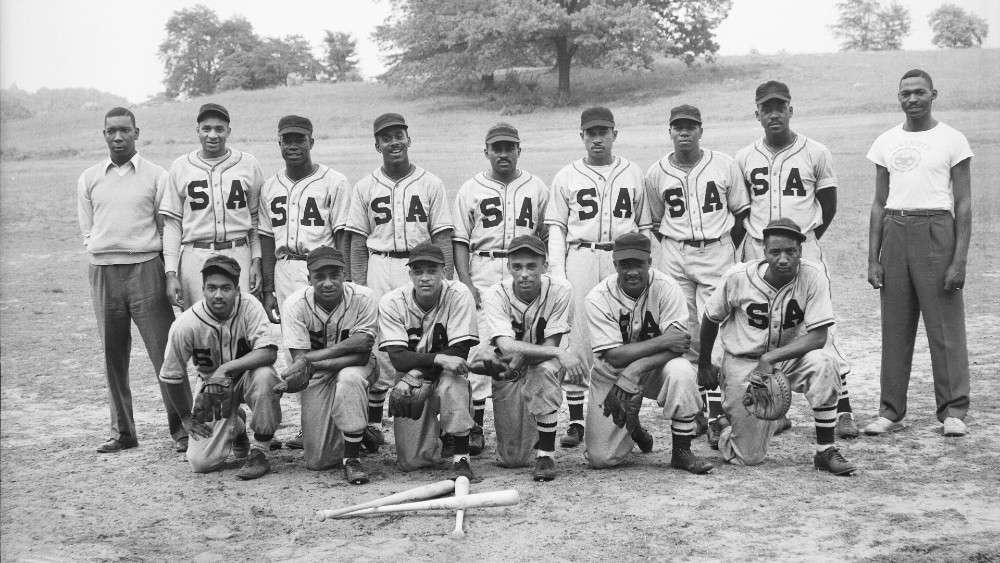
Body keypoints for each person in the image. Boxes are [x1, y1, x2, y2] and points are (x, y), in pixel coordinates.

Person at [734, 82, 857, 438]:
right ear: (757, 113)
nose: (774, 113)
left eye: (780, 106)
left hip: (802, 247)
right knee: (759, 327)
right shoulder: (744, 157)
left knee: (820, 327)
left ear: (791, 109)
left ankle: (843, 407)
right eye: (766, 107)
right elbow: (742, 210)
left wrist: (804, 242)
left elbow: (829, 204)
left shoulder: (815, 151)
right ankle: (773, 406)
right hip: (758, 248)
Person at [863, 69, 973, 438]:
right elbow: (879, 203)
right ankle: (891, 410)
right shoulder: (886, 141)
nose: (912, 99)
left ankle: (953, 409)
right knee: (895, 326)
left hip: (936, 228)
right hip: (896, 228)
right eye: (905, 93)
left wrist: (959, 260)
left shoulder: (952, 140)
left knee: (944, 327)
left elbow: (964, 203)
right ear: (899, 97)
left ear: (933, 94)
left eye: (919, 92)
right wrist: (872, 257)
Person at [699, 218, 856, 475]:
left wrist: (772, 358)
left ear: (800, 252)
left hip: (791, 357)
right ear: (765, 252)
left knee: (825, 364)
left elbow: (818, 337)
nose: (783, 259)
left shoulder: (813, 275)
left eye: (790, 252)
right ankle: (737, 428)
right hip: (744, 361)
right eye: (775, 252)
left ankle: (825, 450)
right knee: (748, 458)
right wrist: (704, 363)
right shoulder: (738, 277)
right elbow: (710, 318)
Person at [76, 107, 192, 453]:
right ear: (104, 134)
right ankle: (123, 431)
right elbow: (87, 229)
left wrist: (161, 266)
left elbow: (166, 225)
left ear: (136, 133)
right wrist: (102, 252)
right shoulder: (89, 177)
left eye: (124, 130)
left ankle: (184, 428)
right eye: (111, 131)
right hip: (103, 272)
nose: (118, 137)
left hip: (145, 267)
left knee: (165, 351)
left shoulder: (157, 175)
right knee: (113, 354)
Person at [343, 113, 455, 449]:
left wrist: (445, 280)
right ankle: (375, 424)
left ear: (409, 139)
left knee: (427, 340)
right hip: (381, 264)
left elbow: (443, 236)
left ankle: (439, 421)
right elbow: (358, 242)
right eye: (386, 137)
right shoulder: (364, 186)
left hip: (421, 265)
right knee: (382, 344)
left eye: (399, 135)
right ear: (376, 144)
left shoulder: (430, 183)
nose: (393, 142)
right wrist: (359, 287)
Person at [545, 107, 652, 449]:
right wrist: (559, 272)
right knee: (578, 336)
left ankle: (626, 412)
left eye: (603, 131)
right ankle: (576, 420)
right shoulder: (567, 175)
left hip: (623, 259)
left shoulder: (633, 172)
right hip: (581, 254)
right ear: (582, 136)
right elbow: (557, 228)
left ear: (614, 134)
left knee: (624, 333)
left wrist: (651, 267)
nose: (597, 138)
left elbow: (645, 226)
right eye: (591, 132)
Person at [644, 104, 750, 448]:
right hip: (676, 251)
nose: (684, 132)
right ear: (669, 131)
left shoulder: (724, 164)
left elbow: (741, 212)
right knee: (682, 330)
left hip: (718, 248)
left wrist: (721, 246)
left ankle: (719, 411)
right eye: (678, 127)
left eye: (690, 126)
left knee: (715, 328)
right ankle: (697, 409)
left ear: (701, 130)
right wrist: (680, 246)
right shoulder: (656, 172)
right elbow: (655, 221)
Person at [453, 122, 549, 456]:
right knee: (481, 346)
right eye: (497, 148)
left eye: (509, 147)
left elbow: (545, 234)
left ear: (519, 149)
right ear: (487, 152)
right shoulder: (471, 188)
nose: (503, 153)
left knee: (522, 342)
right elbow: (460, 240)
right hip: (484, 265)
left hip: (521, 268)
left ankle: (526, 421)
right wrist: (465, 281)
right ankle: (476, 424)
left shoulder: (535, 186)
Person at [257, 115, 352, 451]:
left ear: (312, 141)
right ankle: (307, 422)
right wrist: (267, 286)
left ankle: (353, 420)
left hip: (322, 270)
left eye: (300, 139)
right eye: (287, 140)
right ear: (279, 143)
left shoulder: (334, 181)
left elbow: (342, 234)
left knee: (331, 342)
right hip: (285, 268)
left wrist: (346, 276)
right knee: (296, 348)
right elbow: (267, 240)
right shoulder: (269, 186)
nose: (293, 145)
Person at [584, 233, 712, 474]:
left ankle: (682, 452)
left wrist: (636, 368)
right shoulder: (598, 297)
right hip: (613, 373)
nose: (632, 271)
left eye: (638, 264)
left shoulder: (667, 287)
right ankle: (634, 429)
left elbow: (680, 345)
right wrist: (663, 340)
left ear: (649, 262)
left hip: (656, 369)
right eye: (625, 265)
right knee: (601, 458)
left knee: (682, 370)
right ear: (615, 265)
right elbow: (614, 357)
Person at [159, 255, 282, 480]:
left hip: (248, 378)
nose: (218, 295)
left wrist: (226, 368)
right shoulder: (185, 324)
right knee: (201, 463)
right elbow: (171, 376)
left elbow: (269, 352)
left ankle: (261, 451)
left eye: (226, 288)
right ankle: (237, 425)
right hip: (212, 390)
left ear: (237, 289)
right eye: (212, 288)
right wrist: (186, 418)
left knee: (266, 377)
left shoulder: (250, 306)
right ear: (203, 289)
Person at [478, 235, 586, 481]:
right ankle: (534, 429)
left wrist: (544, 354)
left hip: (538, 364)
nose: (524, 273)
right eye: (517, 266)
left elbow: (552, 342)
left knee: (544, 370)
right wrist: (559, 353)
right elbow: (505, 346)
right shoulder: (495, 293)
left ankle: (546, 454)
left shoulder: (561, 289)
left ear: (544, 266)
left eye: (531, 266)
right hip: (509, 369)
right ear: (509, 268)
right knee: (513, 459)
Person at [276, 247, 379, 484]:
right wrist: (318, 359)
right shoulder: (294, 304)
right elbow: (301, 363)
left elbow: (362, 355)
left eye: (334, 275)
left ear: (344, 274)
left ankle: (351, 458)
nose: (328, 282)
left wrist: (313, 358)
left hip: (355, 367)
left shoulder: (364, 297)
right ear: (308, 278)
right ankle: (358, 433)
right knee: (318, 461)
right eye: (319, 276)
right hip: (317, 373)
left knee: (349, 379)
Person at [376, 242, 478, 480]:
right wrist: (438, 359)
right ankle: (437, 438)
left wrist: (419, 372)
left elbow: (460, 351)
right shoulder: (392, 301)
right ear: (409, 273)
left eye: (432, 270)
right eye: (418, 271)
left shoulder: (459, 293)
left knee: (454, 381)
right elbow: (398, 359)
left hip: (439, 374)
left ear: (443, 271)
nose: (425, 277)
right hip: (412, 375)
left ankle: (461, 456)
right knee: (412, 462)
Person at [160, 103, 264, 310]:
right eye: (206, 129)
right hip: (195, 256)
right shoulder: (181, 166)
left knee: (240, 321)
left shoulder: (248, 163)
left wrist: (256, 261)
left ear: (228, 131)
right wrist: (171, 273)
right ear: (197, 131)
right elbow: (172, 225)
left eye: (219, 129)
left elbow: (255, 220)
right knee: (198, 322)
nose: (213, 135)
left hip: (238, 252)